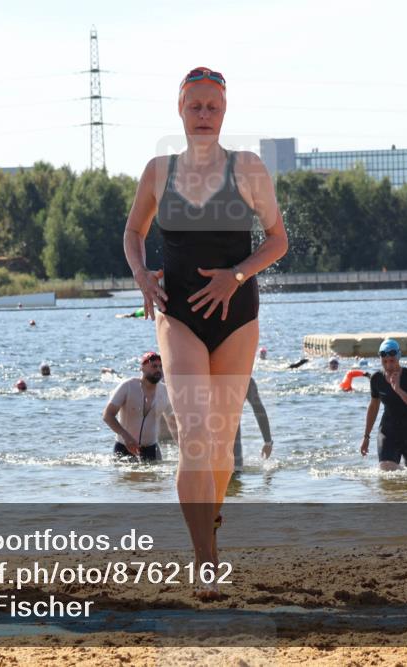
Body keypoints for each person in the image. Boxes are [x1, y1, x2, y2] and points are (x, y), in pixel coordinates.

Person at [122, 67, 288, 598]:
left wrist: (236, 275)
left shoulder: (248, 168)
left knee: (219, 443)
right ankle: (205, 561)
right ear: (179, 109)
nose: (203, 115)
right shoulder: (158, 170)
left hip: (238, 316)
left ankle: (209, 520)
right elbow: (133, 231)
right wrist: (142, 275)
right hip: (178, 316)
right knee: (196, 437)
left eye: (212, 107)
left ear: (224, 111)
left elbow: (278, 240)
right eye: (194, 106)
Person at [360, 339, 407, 470]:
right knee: (385, 467)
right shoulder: (376, 379)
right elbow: (374, 406)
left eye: (392, 361)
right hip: (389, 431)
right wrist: (366, 437)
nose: (388, 366)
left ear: (398, 357)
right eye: (385, 362)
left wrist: (398, 390)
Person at [102, 352, 179, 462]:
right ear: (142, 368)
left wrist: (184, 446)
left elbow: (173, 420)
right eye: (154, 366)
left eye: (161, 366)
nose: (158, 369)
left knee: (157, 478)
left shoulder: (165, 391)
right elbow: (107, 415)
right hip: (124, 447)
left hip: (152, 450)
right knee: (125, 479)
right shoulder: (127, 386)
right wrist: (126, 436)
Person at [232, 377, 273, 472]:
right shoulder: (245, 379)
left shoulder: (207, 374)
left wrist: (268, 442)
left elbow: (258, 409)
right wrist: (268, 442)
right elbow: (258, 409)